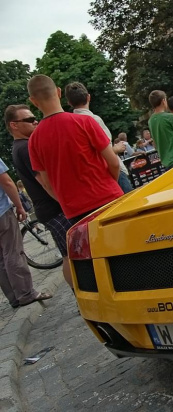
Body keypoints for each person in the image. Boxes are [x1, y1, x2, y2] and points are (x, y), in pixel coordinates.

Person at [26, 75, 123, 226]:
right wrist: (109, 184)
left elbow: (47, 184)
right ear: (58, 92)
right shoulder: (84, 122)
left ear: (33, 101)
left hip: (75, 211)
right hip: (107, 196)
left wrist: (67, 201)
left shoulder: (33, 141)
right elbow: (113, 162)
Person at [6, 104, 75, 287]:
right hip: (54, 208)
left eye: (34, 117)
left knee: (69, 254)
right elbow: (44, 181)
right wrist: (67, 203)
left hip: (49, 209)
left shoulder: (20, 146)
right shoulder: (25, 147)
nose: (35, 121)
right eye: (28, 120)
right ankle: (82, 297)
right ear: (14, 125)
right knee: (72, 255)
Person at [0, 157, 53, 308]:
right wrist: (19, 206)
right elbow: (7, 182)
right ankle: (25, 293)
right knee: (13, 252)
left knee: (1, 259)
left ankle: (13, 297)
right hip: (2, 213)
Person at [65, 82, 133, 194]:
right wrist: (117, 148)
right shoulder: (93, 119)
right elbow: (104, 151)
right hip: (113, 172)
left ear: (69, 102)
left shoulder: (70, 124)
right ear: (88, 97)